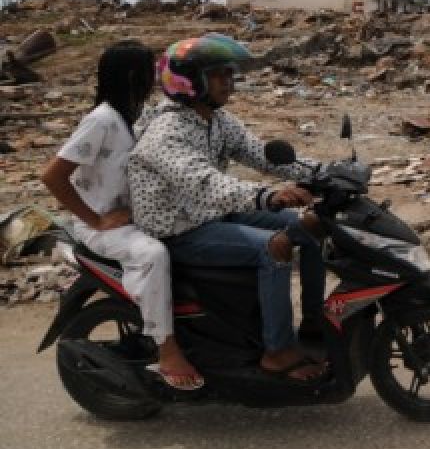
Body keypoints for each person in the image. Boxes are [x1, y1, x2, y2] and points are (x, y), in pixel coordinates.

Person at [128, 34, 326, 382]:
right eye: (218, 74)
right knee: (275, 248)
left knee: (310, 225)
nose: (228, 82)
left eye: (229, 74)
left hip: (209, 213)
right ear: (189, 81)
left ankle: (313, 322)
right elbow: (205, 182)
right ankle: (277, 352)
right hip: (180, 230)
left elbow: (261, 154)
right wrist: (267, 196)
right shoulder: (166, 132)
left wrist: (325, 173)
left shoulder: (216, 120)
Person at [41, 40, 203, 391]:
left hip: (133, 217)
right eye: (149, 72)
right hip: (101, 226)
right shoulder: (101, 121)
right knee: (153, 255)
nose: (154, 80)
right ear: (133, 76)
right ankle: (167, 349)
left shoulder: (135, 116)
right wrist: (95, 220)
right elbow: (52, 176)